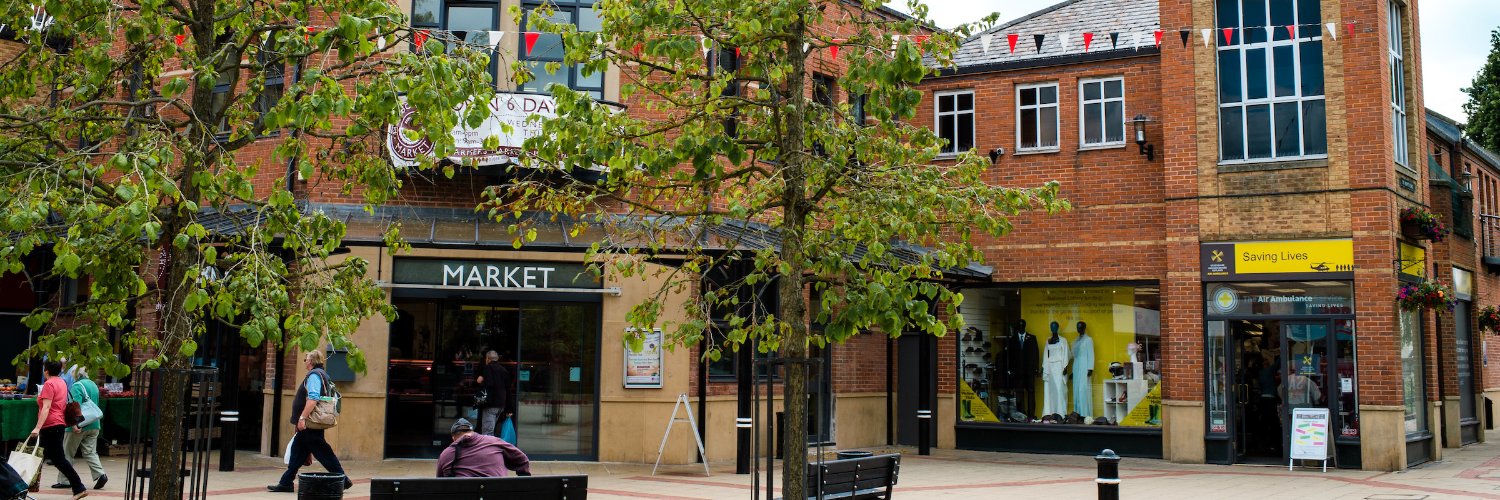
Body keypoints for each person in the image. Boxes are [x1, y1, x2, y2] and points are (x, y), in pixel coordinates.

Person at [268, 351, 352, 493]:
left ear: (311, 361)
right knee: (297, 451)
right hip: (310, 423)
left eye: (306, 359)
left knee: (323, 452)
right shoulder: (322, 374)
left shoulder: (314, 376)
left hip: (310, 422)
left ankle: (343, 480)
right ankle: (286, 482)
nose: (305, 361)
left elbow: (313, 399)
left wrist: (302, 418)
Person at [31, 360, 87, 499]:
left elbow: (47, 407)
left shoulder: (49, 384)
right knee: (38, 455)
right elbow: (64, 404)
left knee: (58, 459)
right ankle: (25, 485)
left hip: (50, 425)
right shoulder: (62, 382)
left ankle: (79, 487)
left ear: (46, 371)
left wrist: (37, 427)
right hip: (58, 424)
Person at [52, 367, 106, 491]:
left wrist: (74, 424)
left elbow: (75, 406)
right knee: (90, 452)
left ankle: (64, 480)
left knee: (67, 453)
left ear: (76, 375)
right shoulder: (93, 385)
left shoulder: (77, 386)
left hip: (80, 425)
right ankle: (100, 474)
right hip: (94, 424)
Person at [436, 418, 531, 478]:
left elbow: (440, 485)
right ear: (472, 432)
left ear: (453, 438)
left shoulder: (445, 455)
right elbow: (522, 460)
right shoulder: (494, 442)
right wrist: (522, 479)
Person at [474, 351, 515, 438]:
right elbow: (508, 390)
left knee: (487, 433)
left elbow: (488, 384)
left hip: (491, 404)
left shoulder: (487, 368)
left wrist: (480, 381)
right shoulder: (504, 370)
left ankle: (488, 451)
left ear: (488, 359)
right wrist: (509, 409)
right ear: (497, 359)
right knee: (491, 430)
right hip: (501, 405)